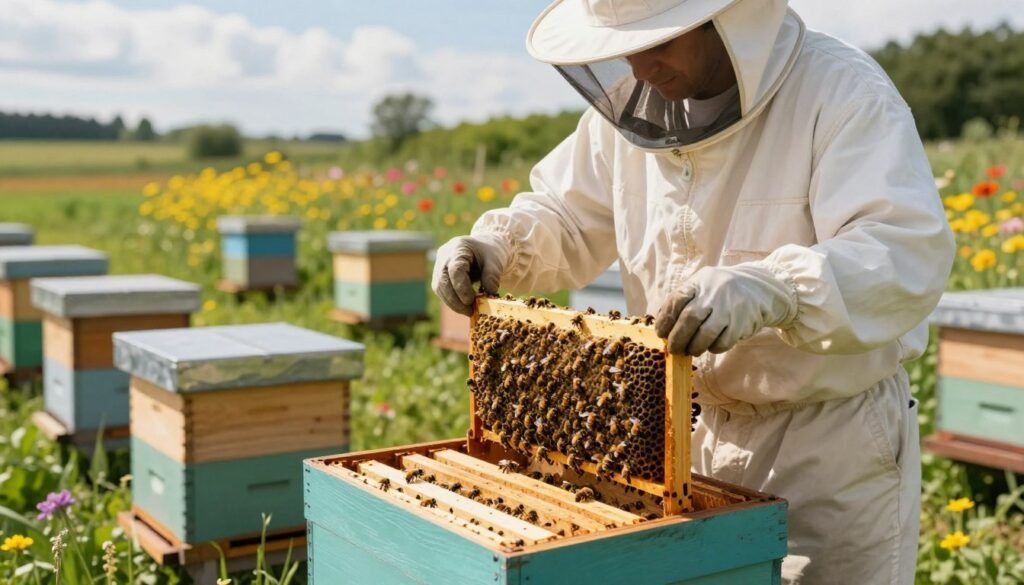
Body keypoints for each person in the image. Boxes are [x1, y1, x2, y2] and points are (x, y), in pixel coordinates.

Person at [432, 0, 954, 582]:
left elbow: (902, 248)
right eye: (627, 46)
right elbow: (567, 214)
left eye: (660, 41)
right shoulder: (630, 114)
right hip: (681, 434)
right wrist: (498, 245)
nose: (641, 66)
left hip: (824, 447)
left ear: (729, 23)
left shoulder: (841, 92)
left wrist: (775, 287)